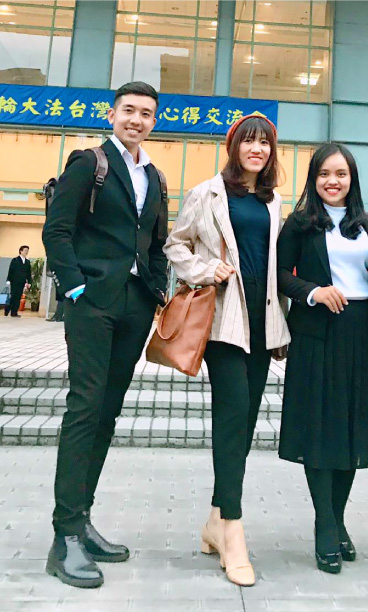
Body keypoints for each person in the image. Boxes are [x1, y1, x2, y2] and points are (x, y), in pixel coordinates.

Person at [42, 81, 168, 588]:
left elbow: (155, 240)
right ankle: (64, 537)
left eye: (146, 113)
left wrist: (157, 288)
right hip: (93, 302)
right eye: (129, 110)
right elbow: (57, 230)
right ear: (112, 114)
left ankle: (82, 519)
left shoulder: (154, 175)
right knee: (85, 407)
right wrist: (75, 288)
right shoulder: (88, 163)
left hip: (135, 306)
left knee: (108, 412)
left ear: (154, 121)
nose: (137, 120)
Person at [164, 114, 290, 587]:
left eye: (264, 143)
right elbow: (175, 244)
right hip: (224, 322)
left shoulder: (274, 200)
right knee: (233, 416)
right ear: (233, 147)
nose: (256, 149)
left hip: (263, 320)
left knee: (245, 420)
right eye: (248, 141)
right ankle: (233, 529)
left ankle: (216, 519)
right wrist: (205, 269)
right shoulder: (208, 193)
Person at [277, 143, 368, 574]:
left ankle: (337, 519)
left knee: (351, 429)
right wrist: (312, 291)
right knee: (319, 429)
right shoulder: (299, 224)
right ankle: (325, 525)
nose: (333, 181)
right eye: (324, 174)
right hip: (316, 332)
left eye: (341, 174)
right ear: (313, 179)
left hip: (361, 332)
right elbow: (279, 273)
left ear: (352, 179)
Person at [4, 245, 31, 317]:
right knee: (13, 296)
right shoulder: (15, 260)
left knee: (18, 297)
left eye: (27, 251)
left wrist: (29, 282)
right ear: (21, 251)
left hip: (22, 282)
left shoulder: (27, 262)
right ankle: (7, 308)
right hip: (14, 281)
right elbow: (11, 271)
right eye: (25, 250)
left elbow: (29, 273)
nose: (26, 252)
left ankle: (14, 312)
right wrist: (8, 279)